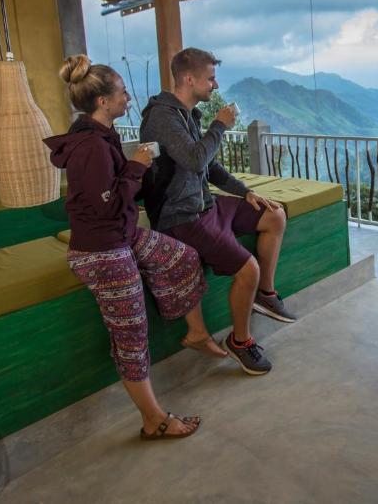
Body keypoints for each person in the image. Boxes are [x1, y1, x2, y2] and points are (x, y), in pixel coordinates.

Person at [45, 55, 225, 441]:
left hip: (121, 234)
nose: (129, 96)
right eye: (122, 92)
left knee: (181, 257)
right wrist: (139, 165)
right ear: (103, 103)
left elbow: (116, 196)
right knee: (131, 333)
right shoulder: (90, 146)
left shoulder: (103, 137)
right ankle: (154, 419)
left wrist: (144, 171)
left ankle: (194, 331)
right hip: (101, 251)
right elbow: (108, 203)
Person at [140, 48, 294, 376]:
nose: (215, 84)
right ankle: (240, 341)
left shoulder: (188, 115)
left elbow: (208, 167)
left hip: (205, 204)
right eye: (210, 78)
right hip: (181, 217)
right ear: (189, 79)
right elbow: (196, 158)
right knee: (246, 269)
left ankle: (265, 294)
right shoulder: (163, 117)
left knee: (274, 215)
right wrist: (220, 126)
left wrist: (246, 192)